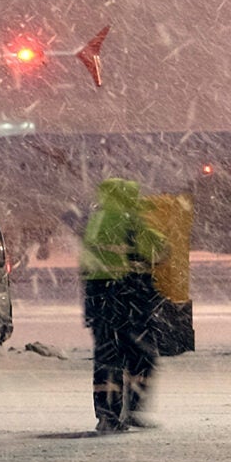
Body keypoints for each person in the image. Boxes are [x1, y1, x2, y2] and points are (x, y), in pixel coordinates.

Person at [80, 178, 167, 432]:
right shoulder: (128, 220)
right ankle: (134, 409)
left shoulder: (95, 221)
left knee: (107, 360)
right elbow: (160, 248)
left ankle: (107, 415)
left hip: (99, 300)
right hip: (126, 298)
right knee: (142, 355)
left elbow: (88, 264)